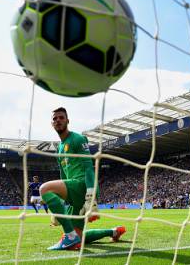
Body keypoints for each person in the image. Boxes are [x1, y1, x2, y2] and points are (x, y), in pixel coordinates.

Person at [40, 107, 126, 251]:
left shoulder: (77, 139)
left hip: (82, 187)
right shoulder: (59, 149)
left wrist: (90, 196)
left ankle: (70, 236)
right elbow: (63, 176)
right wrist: (60, 203)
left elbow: (88, 167)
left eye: (61, 117)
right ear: (52, 124)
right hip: (73, 191)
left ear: (68, 120)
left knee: (44, 189)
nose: (58, 120)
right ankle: (113, 231)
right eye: (55, 119)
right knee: (77, 240)